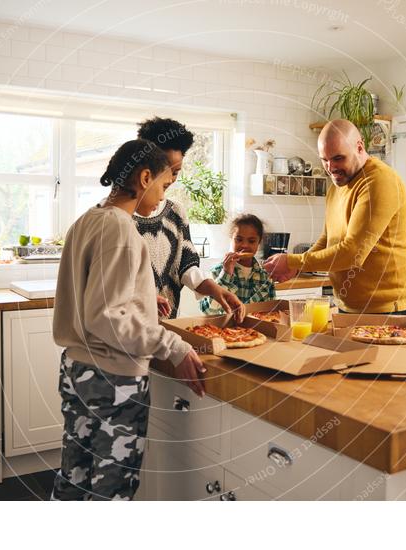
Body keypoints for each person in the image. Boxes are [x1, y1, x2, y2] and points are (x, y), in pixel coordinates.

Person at [51, 139, 205, 501]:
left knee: (75, 476)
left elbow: (99, 296)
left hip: (78, 370)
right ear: (145, 177)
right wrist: (174, 346)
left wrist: (143, 299)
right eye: (164, 186)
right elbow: (108, 317)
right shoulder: (122, 229)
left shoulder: (86, 220)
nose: (164, 197)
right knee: (112, 489)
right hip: (113, 379)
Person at [264, 119, 406, 314]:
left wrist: (294, 261)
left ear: (359, 147)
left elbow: (353, 253)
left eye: (338, 158)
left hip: (386, 309)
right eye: (324, 159)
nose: (330, 167)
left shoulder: (380, 181)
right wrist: (298, 267)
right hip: (348, 306)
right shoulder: (337, 186)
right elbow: (327, 240)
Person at [133, 117, 244, 321]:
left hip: (167, 329)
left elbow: (186, 264)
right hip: (129, 333)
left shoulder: (176, 212)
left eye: (176, 172)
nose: (172, 179)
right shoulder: (119, 219)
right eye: (168, 171)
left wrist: (216, 290)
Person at [199, 214, 275, 314]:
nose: (244, 245)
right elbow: (208, 311)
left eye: (251, 241)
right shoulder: (216, 272)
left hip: (255, 329)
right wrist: (226, 274)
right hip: (223, 329)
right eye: (239, 239)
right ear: (231, 238)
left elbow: (271, 313)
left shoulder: (266, 277)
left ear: (259, 242)